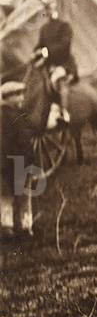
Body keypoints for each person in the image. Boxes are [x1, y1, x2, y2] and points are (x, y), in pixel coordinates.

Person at [32, 0, 77, 124]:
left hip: (64, 64)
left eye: (51, 8)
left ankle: (64, 113)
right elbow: (39, 45)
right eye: (47, 9)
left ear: (56, 9)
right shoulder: (44, 29)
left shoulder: (64, 26)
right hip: (48, 65)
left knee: (57, 80)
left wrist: (45, 52)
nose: (49, 11)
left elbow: (65, 46)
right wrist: (34, 53)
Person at [1, 81, 36, 242]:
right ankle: (25, 226)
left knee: (6, 195)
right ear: (8, 98)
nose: (22, 97)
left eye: (22, 94)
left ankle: (7, 226)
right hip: (18, 162)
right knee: (23, 196)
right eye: (18, 94)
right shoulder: (17, 117)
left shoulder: (8, 115)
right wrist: (30, 159)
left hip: (6, 163)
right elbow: (23, 142)